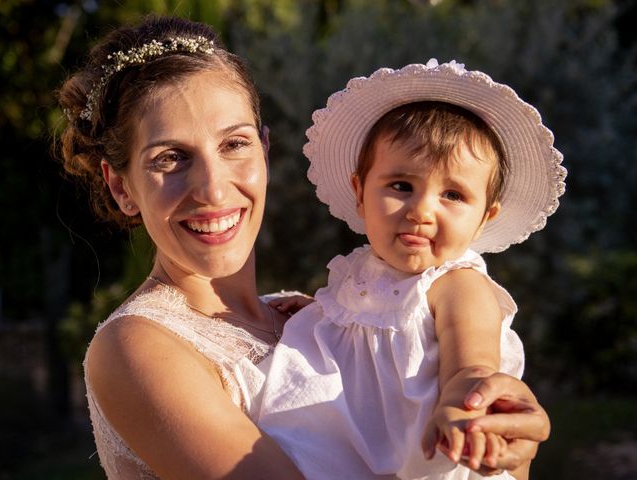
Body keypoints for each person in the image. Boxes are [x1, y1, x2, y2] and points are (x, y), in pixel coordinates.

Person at [56, 15, 551, 480]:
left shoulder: (325, 322)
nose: (212, 188)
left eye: (234, 144)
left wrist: (504, 448)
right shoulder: (138, 346)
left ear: (265, 151)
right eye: (170, 157)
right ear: (122, 187)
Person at [254, 60, 566, 480]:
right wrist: (321, 312)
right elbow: (372, 332)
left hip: (422, 453)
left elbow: (471, 363)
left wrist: (462, 406)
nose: (421, 211)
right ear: (360, 192)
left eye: (453, 195)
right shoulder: (362, 273)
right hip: (352, 440)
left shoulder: (458, 285)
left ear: (485, 217)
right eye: (401, 186)